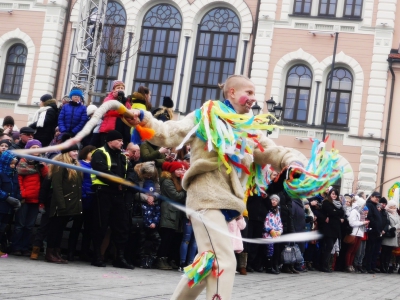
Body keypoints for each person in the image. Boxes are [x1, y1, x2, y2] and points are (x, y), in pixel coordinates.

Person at [128, 74, 307, 299]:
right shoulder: (205, 115)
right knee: (224, 260)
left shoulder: (247, 128)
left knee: (208, 262)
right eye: (248, 93)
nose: (253, 98)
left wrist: (293, 161)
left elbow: (270, 150)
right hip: (205, 197)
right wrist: (143, 118)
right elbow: (170, 133)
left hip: (227, 203)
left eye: (254, 93)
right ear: (232, 93)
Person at [90, 130, 134, 269]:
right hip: (103, 194)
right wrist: (119, 183)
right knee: (100, 226)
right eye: (119, 141)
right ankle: (97, 256)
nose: (122, 143)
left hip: (119, 196)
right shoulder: (99, 153)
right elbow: (102, 171)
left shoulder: (122, 157)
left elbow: (132, 173)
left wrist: (126, 183)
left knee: (121, 227)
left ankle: (119, 258)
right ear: (110, 141)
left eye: (122, 141)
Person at [45, 144, 82, 263]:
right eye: (73, 151)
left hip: (70, 203)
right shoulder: (59, 165)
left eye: (77, 151)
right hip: (61, 203)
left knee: (60, 230)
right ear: (67, 153)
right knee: (54, 230)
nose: (76, 153)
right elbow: (57, 186)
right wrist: (61, 204)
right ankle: (50, 253)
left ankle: (56, 252)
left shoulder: (75, 165)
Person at [11, 139, 48, 256]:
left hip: (36, 198)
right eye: (33, 148)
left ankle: (25, 247)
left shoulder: (42, 163)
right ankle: (16, 246)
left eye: (38, 147)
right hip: (24, 198)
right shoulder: (23, 161)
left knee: (29, 226)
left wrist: (42, 167)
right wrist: (23, 193)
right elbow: (19, 179)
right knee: (20, 225)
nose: (36, 150)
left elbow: (47, 177)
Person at [68, 145, 97, 261]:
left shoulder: (96, 166)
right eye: (92, 152)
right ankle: (71, 252)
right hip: (82, 199)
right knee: (76, 227)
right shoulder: (80, 164)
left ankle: (84, 252)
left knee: (88, 229)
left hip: (92, 199)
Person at [157, 161, 187, 270]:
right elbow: (176, 196)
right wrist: (185, 189)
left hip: (177, 214)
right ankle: (161, 259)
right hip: (169, 212)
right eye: (178, 169)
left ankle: (171, 259)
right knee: (166, 237)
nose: (181, 171)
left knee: (175, 238)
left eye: (182, 169)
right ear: (173, 171)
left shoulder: (179, 181)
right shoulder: (167, 181)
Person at [0, 151, 21, 256]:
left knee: (3, 228)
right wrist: (6, 197)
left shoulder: (14, 174)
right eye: (11, 164)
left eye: (14, 164)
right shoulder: (1, 172)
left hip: (9, 208)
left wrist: (17, 201)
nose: (13, 166)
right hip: (2, 205)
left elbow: (17, 188)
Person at [99, 80, 131, 147]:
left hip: (121, 129)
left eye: (122, 88)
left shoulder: (126, 101)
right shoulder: (108, 98)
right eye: (118, 88)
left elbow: (128, 113)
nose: (120, 89)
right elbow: (107, 110)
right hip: (109, 129)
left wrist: (123, 102)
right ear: (113, 89)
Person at [320, 188, 345, 273]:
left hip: (336, 229)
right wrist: (336, 213)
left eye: (335, 194)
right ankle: (323, 265)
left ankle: (326, 265)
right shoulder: (327, 202)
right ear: (330, 194)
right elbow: (331, 212)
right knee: (328, 246)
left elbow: (342, 212)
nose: (334, 195)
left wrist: (336, 212)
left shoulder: (339, 204)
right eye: (332, 194)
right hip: (328, 228)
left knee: (331, 248)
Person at [345, 196, 369, 273]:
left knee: (355, 251)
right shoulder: (354, 211)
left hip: (359, 233)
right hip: (354, 232)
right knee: (350, 250)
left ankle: (351, 264)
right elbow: (352, 223)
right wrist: (362, 223)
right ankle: (347, 265)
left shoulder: (360, 212)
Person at [363, 191, 384, 274]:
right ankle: (367, 266)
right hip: (372, 230)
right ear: (371, 197)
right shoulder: (369, 205)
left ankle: (371, 266)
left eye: (378, 198)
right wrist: (376, 226)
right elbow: (370, 217)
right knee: (369, 250)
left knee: (374, 250)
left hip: (376, 231)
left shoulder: (375, 206)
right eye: (376, 197)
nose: (377, 199)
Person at [263, 194, 282, 275]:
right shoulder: (268, 210)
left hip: (276, 235)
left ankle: (274, 266)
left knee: (276, 250)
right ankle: (268, 267)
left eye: (276, 200)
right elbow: (265, 222)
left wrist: (279, 230)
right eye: (272, 200)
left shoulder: (277, 211)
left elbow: (279, 222)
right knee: (269, 250)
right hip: (268, 234)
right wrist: (269, 229)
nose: (274, 201)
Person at [380, 199, 399, 273]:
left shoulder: (396, 214)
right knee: (384, 251)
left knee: (389, 252)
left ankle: (386, 265)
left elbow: (398, 222)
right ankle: (382, 266)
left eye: (394, 207)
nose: (393, 208)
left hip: (393, 234)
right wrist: (390, 228)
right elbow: (386, 223)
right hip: (388, 234)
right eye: (392, 206)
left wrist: (395, 227)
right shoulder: (386, 213)